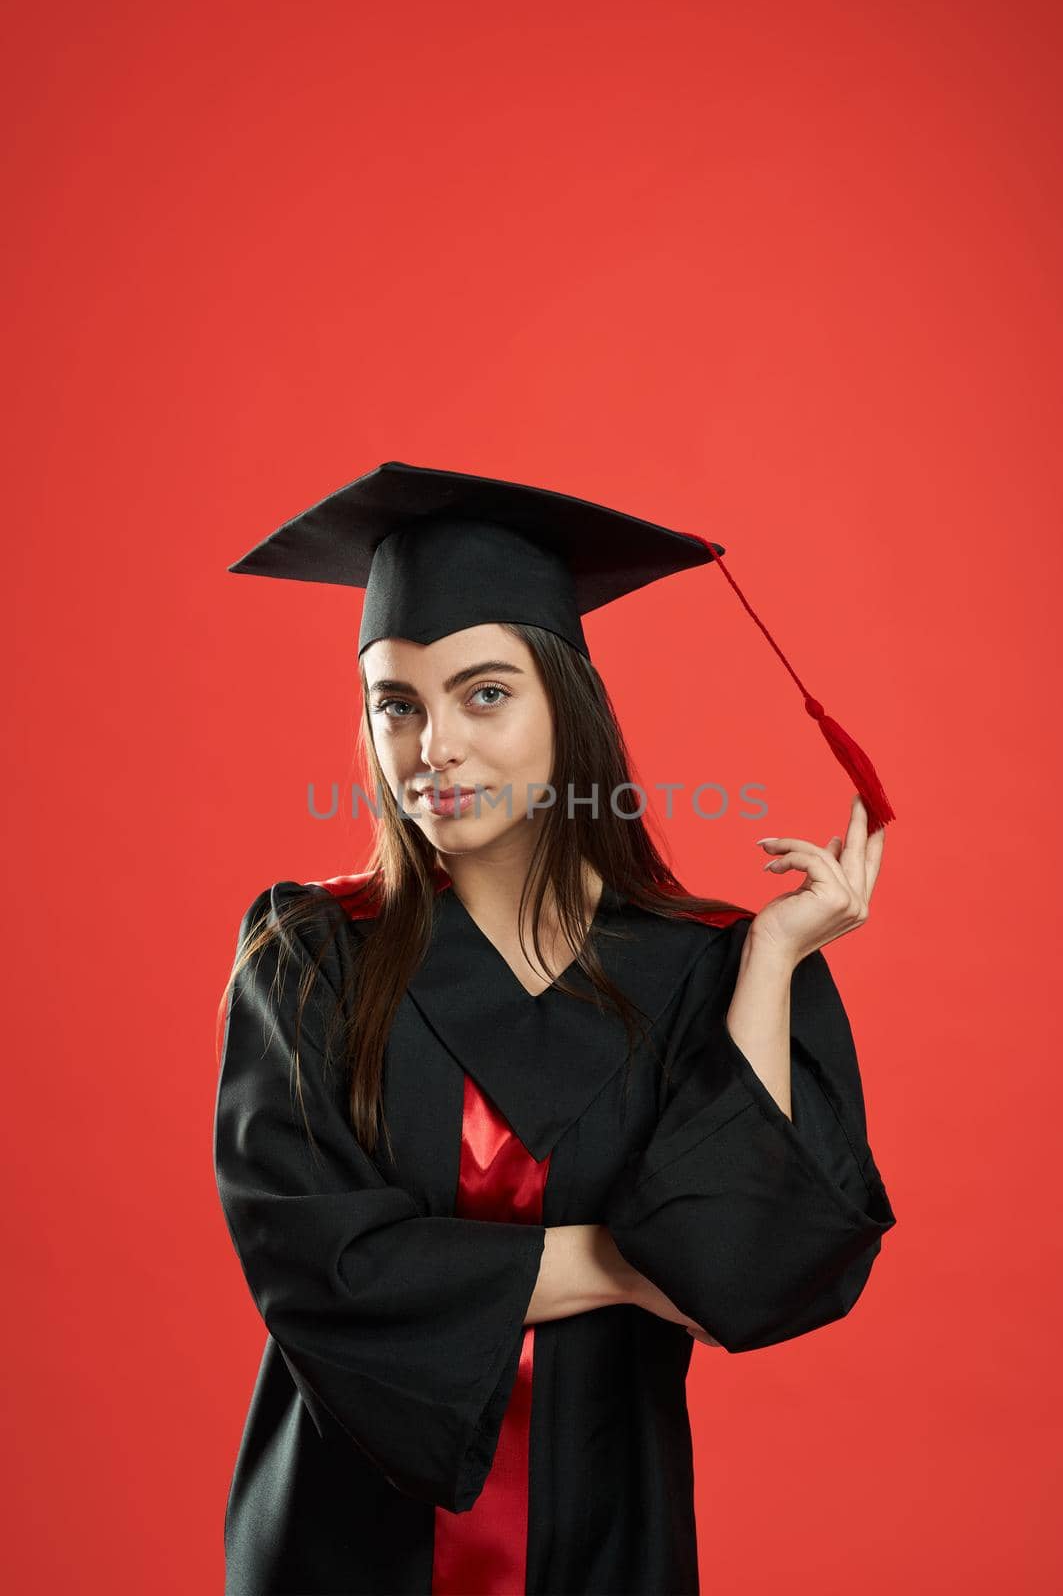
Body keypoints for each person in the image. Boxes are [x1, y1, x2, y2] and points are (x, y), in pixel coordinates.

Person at [213, 460, 897, 1595]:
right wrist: (630, 1260)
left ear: (565, 705)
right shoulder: (311, 955)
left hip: (605, 1528)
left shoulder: (698, 967)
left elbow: (751, 1271)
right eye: (396, 702)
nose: (434, 745)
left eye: (485, 692)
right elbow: (321, 1271)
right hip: (343, 1541)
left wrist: (772, 958)